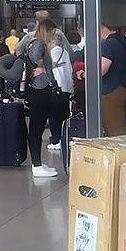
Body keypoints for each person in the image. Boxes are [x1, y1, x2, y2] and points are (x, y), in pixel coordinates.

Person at [15, 24, 59, 178]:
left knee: (37, 128)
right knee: (37, 129)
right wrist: (43, 67)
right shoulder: (39, 43)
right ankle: (37, 165)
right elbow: (35, 56)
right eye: (52, 33)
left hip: (35, 89)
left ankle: (38, 162)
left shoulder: (30, 42)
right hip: (40, 90)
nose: (53, 36)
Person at [40, 18, 74, 152]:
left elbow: (49, 68)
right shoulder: (65, 52)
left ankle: (56, 140)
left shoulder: (53, 52)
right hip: (66, 87)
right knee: (64, 114)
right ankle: (65, 138)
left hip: (56, 88)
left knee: (54, 115)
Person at [99, 21, 126, 136]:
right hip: (124, 88)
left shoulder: (109, 44)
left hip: (111, 90)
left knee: (115, 131)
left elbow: (102, 69)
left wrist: (84, 75)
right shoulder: (121, 41)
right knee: (120, 126)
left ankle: (121, 154)